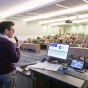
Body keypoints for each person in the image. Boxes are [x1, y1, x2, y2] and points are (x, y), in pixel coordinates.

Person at [0, 21, 21, 88]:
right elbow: (16, 59)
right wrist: (17, 47)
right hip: (7, 72)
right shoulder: (8, 43)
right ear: (6, 30)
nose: (13, 32)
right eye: (13, 30)